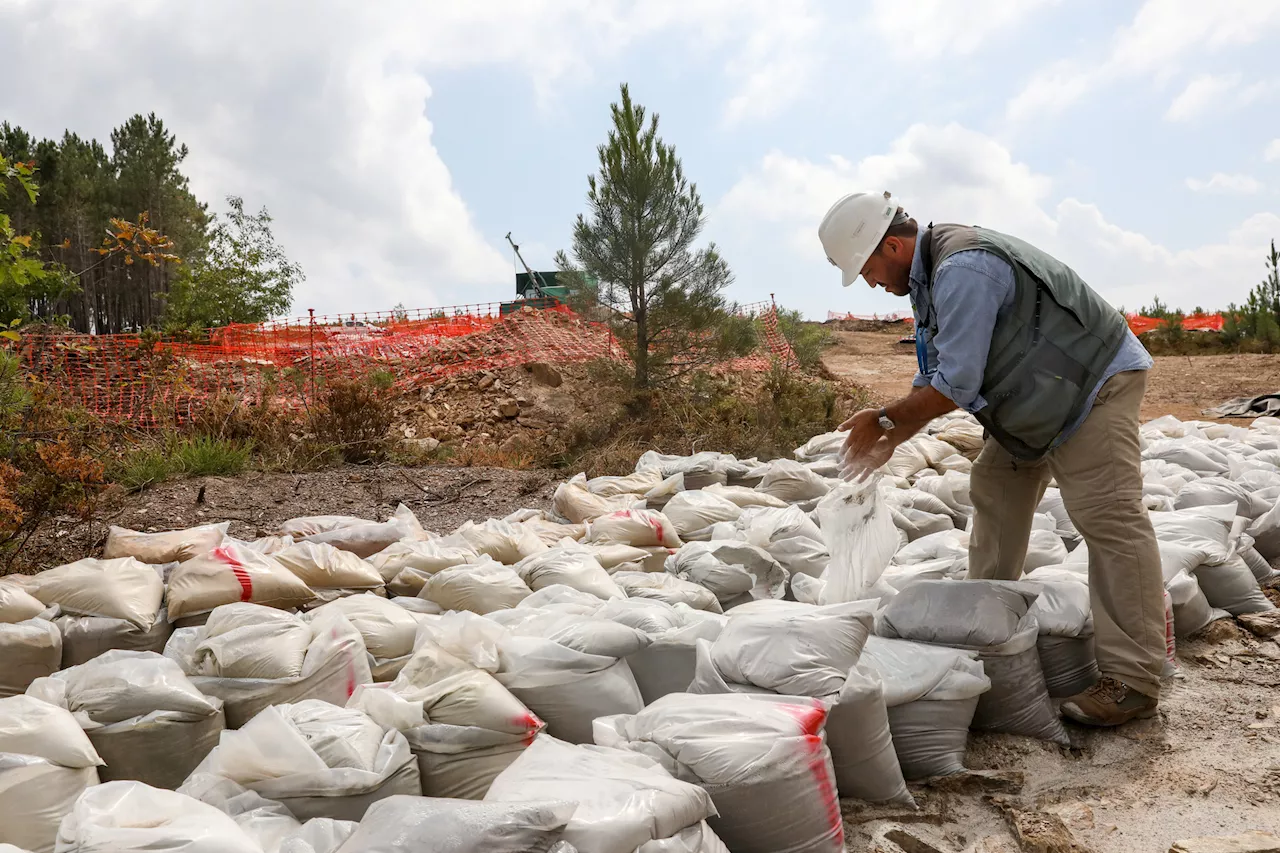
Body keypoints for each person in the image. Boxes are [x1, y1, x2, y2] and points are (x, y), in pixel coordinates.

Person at [817, 191, 1165, 727]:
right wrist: (895, 432)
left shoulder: (964, 269)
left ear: (891, 245)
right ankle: (988, 626)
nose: (868, 283)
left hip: (1093, 385)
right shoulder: (928, 278)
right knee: (996, 487)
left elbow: (956, 385)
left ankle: (1134, 681)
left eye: (865, 269)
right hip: (1036, 398)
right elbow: (933, 372)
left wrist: (886, 419)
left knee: (1109, 517)